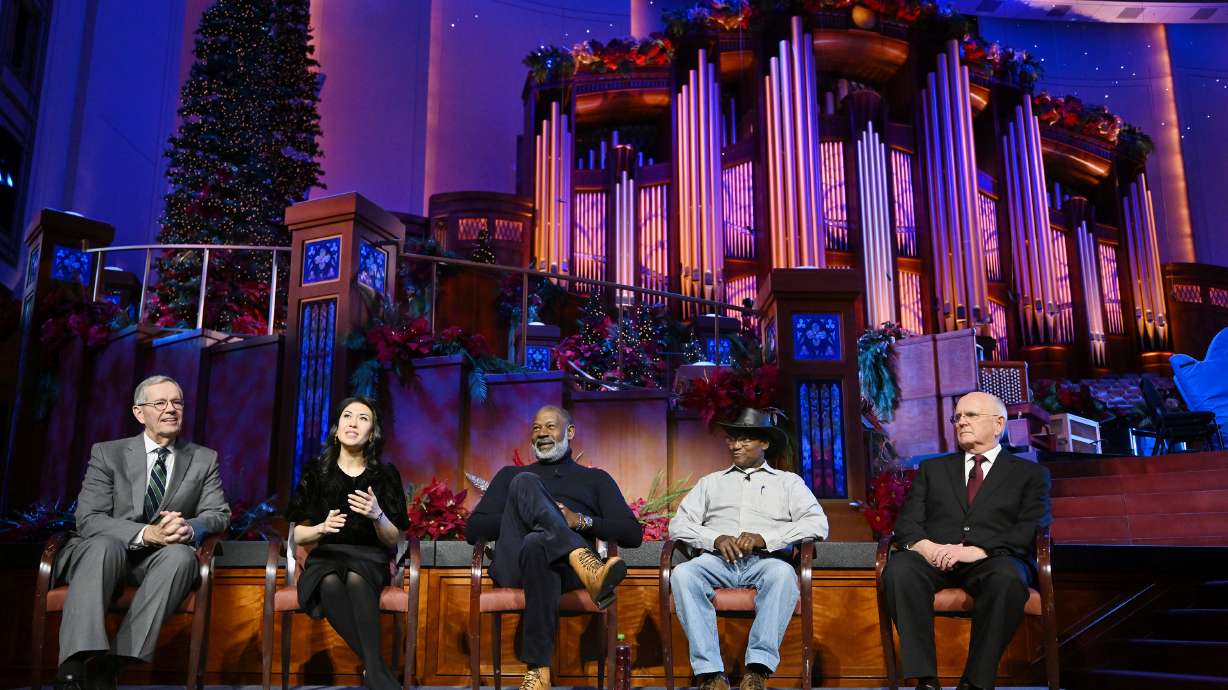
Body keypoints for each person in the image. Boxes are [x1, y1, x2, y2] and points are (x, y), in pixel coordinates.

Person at [52, 375, 231, 690]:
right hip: (103, 555)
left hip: (158, 562)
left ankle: (112, 663)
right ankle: (75, 662)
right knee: (103, 546)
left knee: (180, 557)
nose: (171, 409)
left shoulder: (204, 458)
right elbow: (89, 518)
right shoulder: (109, 453)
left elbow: (218, 514)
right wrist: (147, 533)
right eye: (160, 403)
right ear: (139, 412)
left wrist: (190, 526)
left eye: (177, 402)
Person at [882, 391, 1052, 690]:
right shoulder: (933, 469)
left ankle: (975, 682)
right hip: (935, 557)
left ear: (999, 424)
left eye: (970, 415)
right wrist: (928, 548)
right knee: (900, 570)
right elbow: (907, 524)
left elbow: (1030, 528)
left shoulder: (1030, 474)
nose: (961, 422)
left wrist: (978, 551)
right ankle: (923, 679)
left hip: (994, 557)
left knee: (1008, 578)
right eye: (957, 417)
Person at [466, 405, 643, 690]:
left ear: (569, 432)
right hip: (515, 567)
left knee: (538, 543)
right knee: (526, 484)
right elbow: (473, 530)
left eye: (550, 426)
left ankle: (537, 671)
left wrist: (579, 520)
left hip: (566, 575)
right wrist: (527, 512)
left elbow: (632, 533)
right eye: (536, 428)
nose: (542, 433)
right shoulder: (511, 475)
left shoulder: (595, 479)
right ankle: (584, 560)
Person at [668, 408, 829, 690]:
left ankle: (757, 670)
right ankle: (710, 673)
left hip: (765, 562)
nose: (734, 446)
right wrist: (715, 538)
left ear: (764, 443)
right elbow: (678, 525)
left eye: (743, 439)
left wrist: (765, 538)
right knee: (683, 574)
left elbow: (818, 524)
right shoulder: (711, 483)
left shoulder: (788, 482)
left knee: (782, 575)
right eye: (732, 439)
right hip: (718, 562)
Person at [284, 396, 410, 690]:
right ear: (337, 427)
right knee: (328, 580)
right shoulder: (317, 472)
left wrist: (377, 514)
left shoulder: (385, 475)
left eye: (363, 418)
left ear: (372, 433)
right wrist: (322, 528)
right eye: (347, 416)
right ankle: (377, 671)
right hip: (326, 556)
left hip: (369, 558)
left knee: (354, 577)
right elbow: (297, 535)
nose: (353, 423)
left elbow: (393, 538)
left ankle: (375, 672)